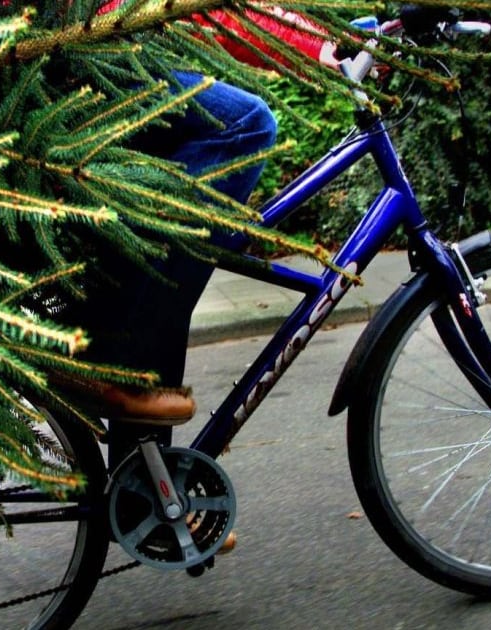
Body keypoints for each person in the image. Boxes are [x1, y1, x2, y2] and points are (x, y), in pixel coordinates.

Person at [49, 4, 339, 423]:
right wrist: (316, 45)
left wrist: (341, 37)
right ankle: (114, 357)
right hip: (73, 58)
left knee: (175, 231)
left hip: (73, 53)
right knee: (246, 125)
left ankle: (144, 475)